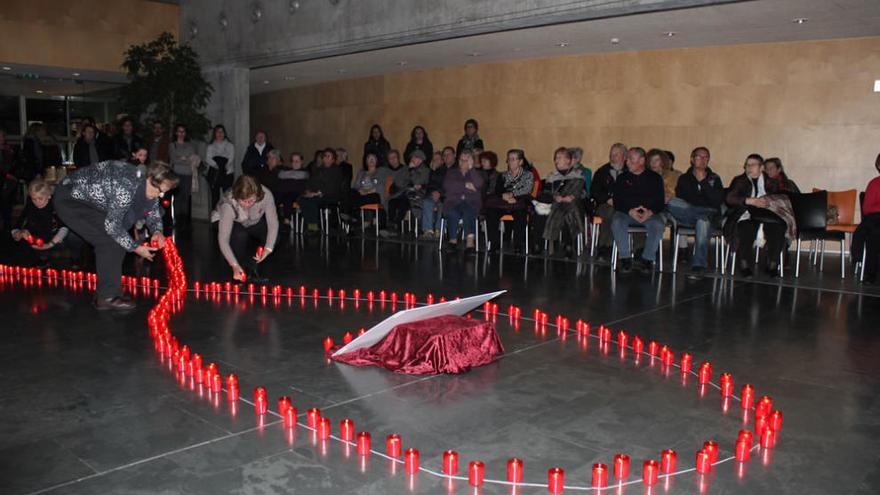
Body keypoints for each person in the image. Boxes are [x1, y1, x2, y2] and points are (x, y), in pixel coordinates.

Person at [54, 161, 178, 310]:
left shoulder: (148, 186)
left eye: (164, 192)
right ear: (150, 178)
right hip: (70, 199)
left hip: (90, 201)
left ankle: (105, 293)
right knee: (110, 241)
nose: (159, 195)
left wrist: (157, 231)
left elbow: (152, 212)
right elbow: (113, 227)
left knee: (118, 239)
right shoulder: (126, 186)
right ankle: (107, 297)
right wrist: (135, 248)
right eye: (158, 190)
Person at [724, 154, 787, 277]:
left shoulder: (771, 182)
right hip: (745, 213)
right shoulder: (740, 180)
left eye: (753, 165)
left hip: (767, 214)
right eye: (747, 165)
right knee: (745, 227)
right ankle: (744, 264)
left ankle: (772, 263)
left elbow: (779, 198)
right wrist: (749, 200)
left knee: (778, 228)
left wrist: (768, 202)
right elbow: (729, 198)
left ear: (761, 167)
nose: (749, 167)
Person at [668, 147, 725, 278]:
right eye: (699, 157)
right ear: (692, 159)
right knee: (672, 202)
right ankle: (700, 214)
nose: (703, 160)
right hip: (689, 215)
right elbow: (683, 198)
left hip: (708, 215)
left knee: (703, 221)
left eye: (706, 157)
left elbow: (717, 201)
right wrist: (701, 202)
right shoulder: (684, 178)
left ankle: (699, 266)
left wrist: (703, 183)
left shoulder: (714, 178)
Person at [212, 175, 278, 284]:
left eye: (251, 200)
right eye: (243, 201)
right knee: (240, 235)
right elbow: (223, 240)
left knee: (274, 236)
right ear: (237, 197)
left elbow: (273, 223)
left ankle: (252, 268)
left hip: (251, 221)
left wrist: (268, 248)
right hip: (225, 220)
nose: (248, 204)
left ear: (257, 195)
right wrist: (234, 265)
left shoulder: (266, 195)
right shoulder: (228, 204)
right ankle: (238, 270)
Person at [611, 147, 666, 273]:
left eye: (630, 158)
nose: (627, 161)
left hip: (649, 214)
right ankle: (625, 258)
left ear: (641, 160)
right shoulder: (622, 178)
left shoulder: (655, 178)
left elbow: (659, 201)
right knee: (617, 221)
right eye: (627, 159)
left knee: (658, 224)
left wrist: (649, 212)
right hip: (627, 213)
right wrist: (630, 211)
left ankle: (647, 259)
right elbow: (617, 201)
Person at [535, 147, 586, 257]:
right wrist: (554, 197)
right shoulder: (552, 176)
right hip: (555, 203)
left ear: (568, 160)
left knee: (567, 210)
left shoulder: (578, 175)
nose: (556, 161)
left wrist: (572, 196)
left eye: (558, 158)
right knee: (539, 212)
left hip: (573, 204)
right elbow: (545, 192)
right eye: (555, 158)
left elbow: (583, 193)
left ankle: (569, 245)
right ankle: (537, 244)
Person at [10, 178, 71, 267]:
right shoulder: (30, 205)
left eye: (40, 198)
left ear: (49, 196)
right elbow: (17, 226)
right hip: (33, 242)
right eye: (34, 199)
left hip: (54, 242)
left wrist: (49, 245)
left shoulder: (55, 206)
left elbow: (64, 228)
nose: (37, 202)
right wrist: (18, 233)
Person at [484, 149, 534, 253]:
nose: (510, 162)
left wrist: (513, 195)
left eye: (513, 159)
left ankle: (518, 244)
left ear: (520, 162)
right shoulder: (502, 175)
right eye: (509, 159)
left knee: (521, 214)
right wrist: (504, 196)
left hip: (519, 202)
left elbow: (527, 189)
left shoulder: (528, 175)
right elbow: (497, 190)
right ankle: (494, 243)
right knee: (491, 212)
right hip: (504, 203)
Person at [590, 143, 628, 258]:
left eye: (616, 154)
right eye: (611, 154)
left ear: (624, 157)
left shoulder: (630, 172)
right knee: (610, 213)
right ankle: (606, 246)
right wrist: (607, 199)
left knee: (617, 214)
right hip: (605, 205)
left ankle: (606, 247)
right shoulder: (602, 171)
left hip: (625, 206)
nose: (612, 157)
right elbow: (594, 191)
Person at [443, 151, 484, 253]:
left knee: (468, 211)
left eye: (466, 160)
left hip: (471, 202)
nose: (463, 162)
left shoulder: (475, 173)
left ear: (471, 161)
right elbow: (448, 186)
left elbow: (479, 185)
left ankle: (470, 243)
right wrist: (466, 186)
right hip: (454, 201)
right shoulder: (451, 172)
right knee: (452, 212)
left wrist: (472, 169)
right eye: (461, 160)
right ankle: (453, 240)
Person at [298, 148, 343, 233]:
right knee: (302, 199)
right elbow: (310, 182)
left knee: (311, 201)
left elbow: (332, 186)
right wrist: (308, 191)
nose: (326, 158)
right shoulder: (318, 169)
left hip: (329, 195)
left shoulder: (336, 170)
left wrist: (316, 193)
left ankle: (313, 227)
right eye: (325, 156)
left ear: (333, 159)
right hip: (315, 193)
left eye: (328, 156)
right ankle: (310, 224)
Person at [853, 153, 880, 283]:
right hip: (876, 218)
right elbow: (867, 208)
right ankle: (870, 273)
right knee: (874, 231)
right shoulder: (874, 184)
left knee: (872, 230)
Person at [168, 124, 200, 224]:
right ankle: (176, 219)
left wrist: (182, 158)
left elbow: (193, 159)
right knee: (177, 197)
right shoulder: (172, 145)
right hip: (176, 174)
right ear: (176, 133)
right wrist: (186, 158)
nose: (181, 134)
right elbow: (174, 159)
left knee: (185, 197)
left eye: (183, 131)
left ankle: (184, 220)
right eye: (179, 131)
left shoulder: (190, 145)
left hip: (188, 174)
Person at [205, 124, 235, 209]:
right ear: (215, 133)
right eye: (218, 132)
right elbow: (208, 158)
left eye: (222, 132)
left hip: (227, 173)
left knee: (228, 197)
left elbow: (231, 158)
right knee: (215, 197)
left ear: (224, 133)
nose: (220, 134)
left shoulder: (230, 145)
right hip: (215, 174)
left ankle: (227, 218)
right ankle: (215, 219)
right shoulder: (210, 146)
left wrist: (224, 166)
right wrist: (217, 165)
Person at [420, 150, 448, 239]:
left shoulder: (446, 171)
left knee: (442, 206)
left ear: (442, 161)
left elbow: (447, 185)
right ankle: (428, 230)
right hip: (430, 195)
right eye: (434, 159)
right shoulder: (429, 171)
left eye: (438, 159)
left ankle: (439, 230)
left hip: (443, 195)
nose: (435, 160)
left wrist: (439, 192)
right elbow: (428, 185)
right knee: (427, 202)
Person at [382, 149, 410, 236]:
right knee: (391, 202)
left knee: (401, 202)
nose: (392, 160)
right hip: (392, 197)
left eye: (394, 157)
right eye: (390, 158)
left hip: (404, 195)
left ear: (398, 158)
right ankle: (391, 227)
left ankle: (394, 227)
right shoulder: (386, 171)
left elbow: (403, 184)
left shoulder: (405, 169)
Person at [0, 128, 19, 230]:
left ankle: (7, 230)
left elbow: (11, 165)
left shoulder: (7, 150)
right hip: (4, 181)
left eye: (3, 136)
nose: (3, 138)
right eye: (1, 136)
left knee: (7, 207)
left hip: (8, 184)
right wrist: (7, 175)